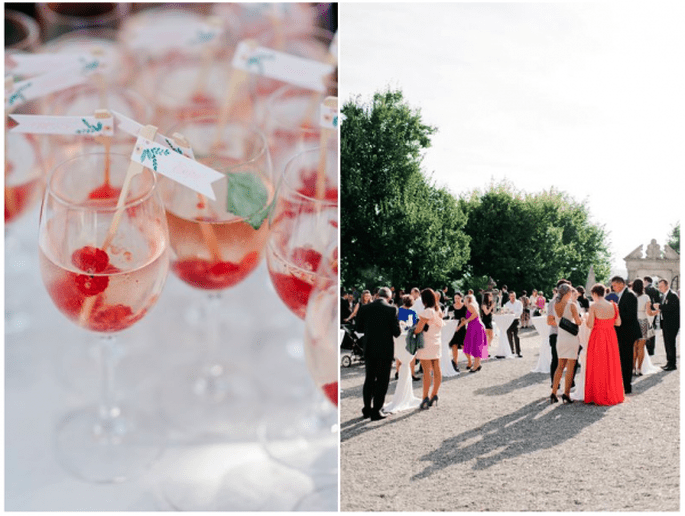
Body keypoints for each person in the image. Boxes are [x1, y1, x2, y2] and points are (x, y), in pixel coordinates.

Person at [355, 287, 401, 421]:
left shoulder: (365, 308)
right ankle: (376, 410)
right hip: (385, 350)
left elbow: (358, 328)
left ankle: (366, 409)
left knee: (369, 378)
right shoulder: (392, 309)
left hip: (369, 348)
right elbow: (396, 333)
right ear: (389, 297)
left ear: (377, 295)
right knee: (382, 380)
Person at [584, 283, 624, 405]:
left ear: (595, 294)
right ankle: (611, 393)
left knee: (598, 364)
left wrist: (586, 319)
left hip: (598, 336)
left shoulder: (594, 306)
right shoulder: (613, 305)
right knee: (610, 364)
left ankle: (598, 394)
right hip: (611, 336)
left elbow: (590, 325)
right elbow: (618, 323)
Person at [550, 284, 582, 404]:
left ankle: (553, 392)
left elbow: (553, 320)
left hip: (561, 338)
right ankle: (566, 393)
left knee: (559, 366)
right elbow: (578, 322)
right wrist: (581, 319)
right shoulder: (571, 305)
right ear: (568, 292)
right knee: (570, 367)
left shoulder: (555, 304)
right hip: (571, 338)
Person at [414, 289, 445, 409]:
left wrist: (414, 329)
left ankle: (425, 397)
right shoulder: (438, 310)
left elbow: (418, 329)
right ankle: (434, 394)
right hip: (437, 342)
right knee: (437, 370)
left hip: (426, 343)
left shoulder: (427, 311)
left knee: (426, 372)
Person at [611, 276, 642, 395]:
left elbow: (630, 315)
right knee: (624, 358)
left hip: (627, 332)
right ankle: (623, 383)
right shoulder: (625, 294)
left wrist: (615, 315)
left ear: (620, 284)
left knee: (626, 359)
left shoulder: (629, 295)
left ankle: (627, 385)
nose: (613, 288)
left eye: (614, 285)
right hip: (625, 331)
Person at [655, 279, 680, 370]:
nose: (659, 288)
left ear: (667, 286)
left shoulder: (672, 295)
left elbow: (672, 308)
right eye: (659, 286)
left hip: (672, 324)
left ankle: (672, 364)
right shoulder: (663, 296)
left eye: (661, 286)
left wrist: (660, 306)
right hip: (665, 323)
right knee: (667, 343)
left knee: (670, 343)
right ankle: (669, 362)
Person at [632, 278, 655, 376]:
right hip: (643, 321)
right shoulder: (646, 297)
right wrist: (657, 312)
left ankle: (632, 368)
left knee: (633, 346)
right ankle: (639, 369)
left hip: (633, 321)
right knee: (641, 347)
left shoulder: (630, 296)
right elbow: (649, 312)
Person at [396, 295, 419, 381]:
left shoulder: (398, 311)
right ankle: (412, 373)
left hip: (401, 335)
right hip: (410, 334)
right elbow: (416, 324)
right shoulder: (413, 311)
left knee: (400, 353)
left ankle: (398, 372)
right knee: (412, 354)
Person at [462, 294, 488, 373]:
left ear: (467, 299)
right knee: (477, 345)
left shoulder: (470, 305)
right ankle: (477, 364)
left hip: (475, 327)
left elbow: (475, 314)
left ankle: (476, 366)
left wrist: (467, 320)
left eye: (464, 299)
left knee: (475, 346)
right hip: (475, 326)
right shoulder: (473, 304)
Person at [447, 292, 467, 373]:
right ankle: (455, 362)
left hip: (461, 328)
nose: (457, 300)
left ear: (461, 298)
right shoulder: (451, 307)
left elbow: (465, 319)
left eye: (458, 298)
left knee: (463, 345)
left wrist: (459, 326)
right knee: (454, 345)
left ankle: (469, 361)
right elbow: (449, 317)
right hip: (453, 328)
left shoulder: (464, 307)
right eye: (455, 298)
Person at [643, 276, 660, 355]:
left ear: (646, 280)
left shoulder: (645, 290)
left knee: (645, 330)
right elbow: (658, 301)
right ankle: (651, 349)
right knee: (652, 330)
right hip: (653, 312)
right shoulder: (656, 290)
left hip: (646, 312)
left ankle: (646, 347)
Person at [503, 291, 523, 357]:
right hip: (508, 321)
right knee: (509, 336)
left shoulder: (519, 303)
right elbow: (505, 312)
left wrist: (513, 313)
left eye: (514, 296)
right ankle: (511, 351)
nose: (512, 297)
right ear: (509, 297)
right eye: (511, 296)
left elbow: (520, 312)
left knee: (516, 336)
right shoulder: (507, 304)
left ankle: (518, 352)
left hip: (516, 320)